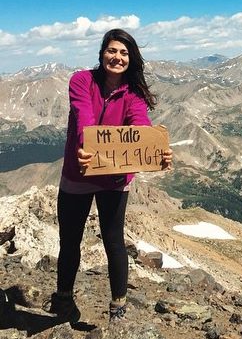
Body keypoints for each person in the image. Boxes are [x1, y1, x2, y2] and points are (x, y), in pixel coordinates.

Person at [46, 29, 172, 323]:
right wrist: (85, 145)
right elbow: (83, 115)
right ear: (102, 53)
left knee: (114, 242)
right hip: (80, 172)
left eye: (124, 53)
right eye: (112, 51)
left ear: (131, 58)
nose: (117, 57)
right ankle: (63, 299)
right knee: (70, 241)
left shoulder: (134, 94)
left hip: (115, 179)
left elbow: (139, 125)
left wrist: (155, 150)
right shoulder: (81, 81)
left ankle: (118, 308)